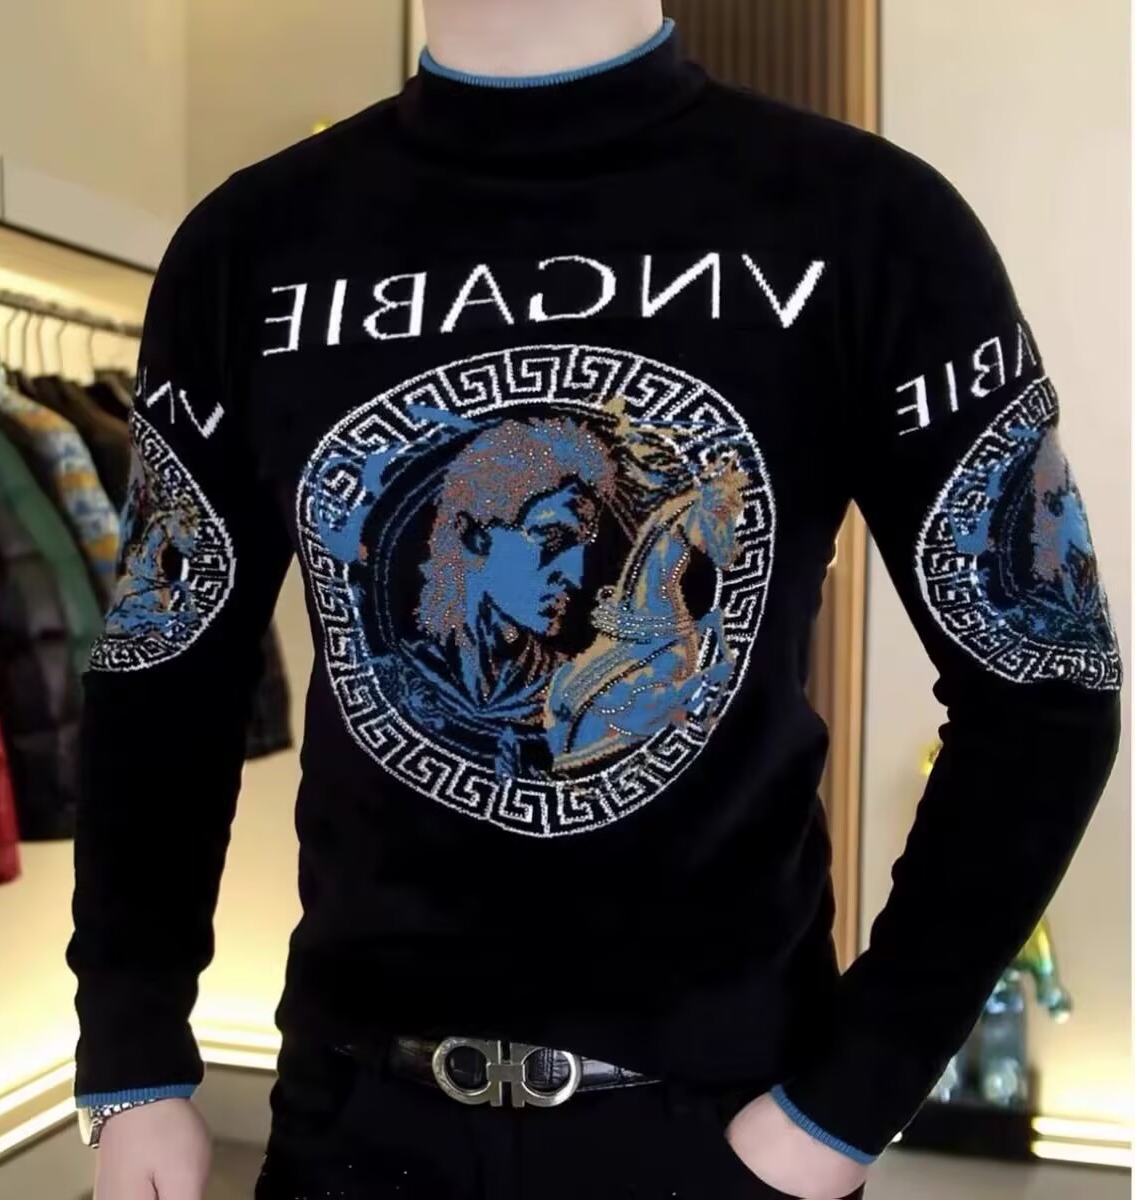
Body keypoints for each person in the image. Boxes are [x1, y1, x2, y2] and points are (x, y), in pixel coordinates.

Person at [66, 0, 1123, 1197]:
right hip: (354, 1119)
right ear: (471, 540)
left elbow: (1045, 682)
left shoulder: (867, 219)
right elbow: (166, 674)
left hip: (719, 1132)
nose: (575, 577)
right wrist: (131, 1051)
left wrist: (847, 1105)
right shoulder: (247, 247)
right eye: (546, 543)